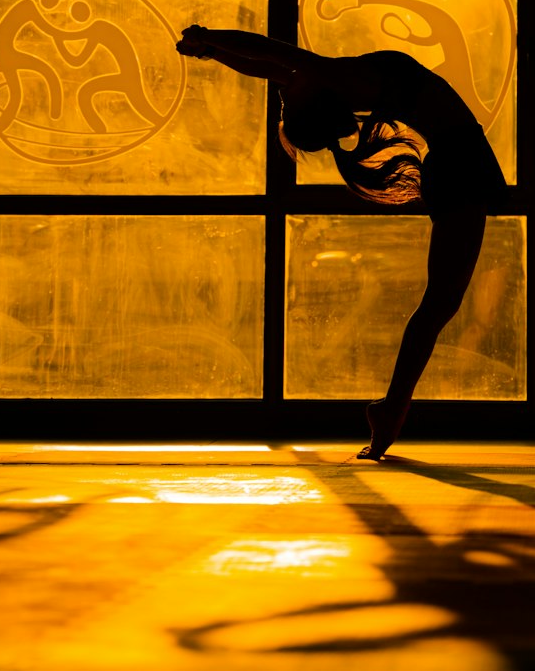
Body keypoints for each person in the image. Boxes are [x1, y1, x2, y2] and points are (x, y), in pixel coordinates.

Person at [175, 25, 508, 459]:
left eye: (283, 101)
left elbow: (264, 63)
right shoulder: (339, 80)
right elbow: (270, 54)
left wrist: (211, 49)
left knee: (441, 303)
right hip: (460, 163)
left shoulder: (332, 82)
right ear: (313, 100)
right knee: (440, 303)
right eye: (286, 103)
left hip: (458, 162)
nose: (282, 93)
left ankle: (391, 409)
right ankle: (392, 409)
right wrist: (210, 38)